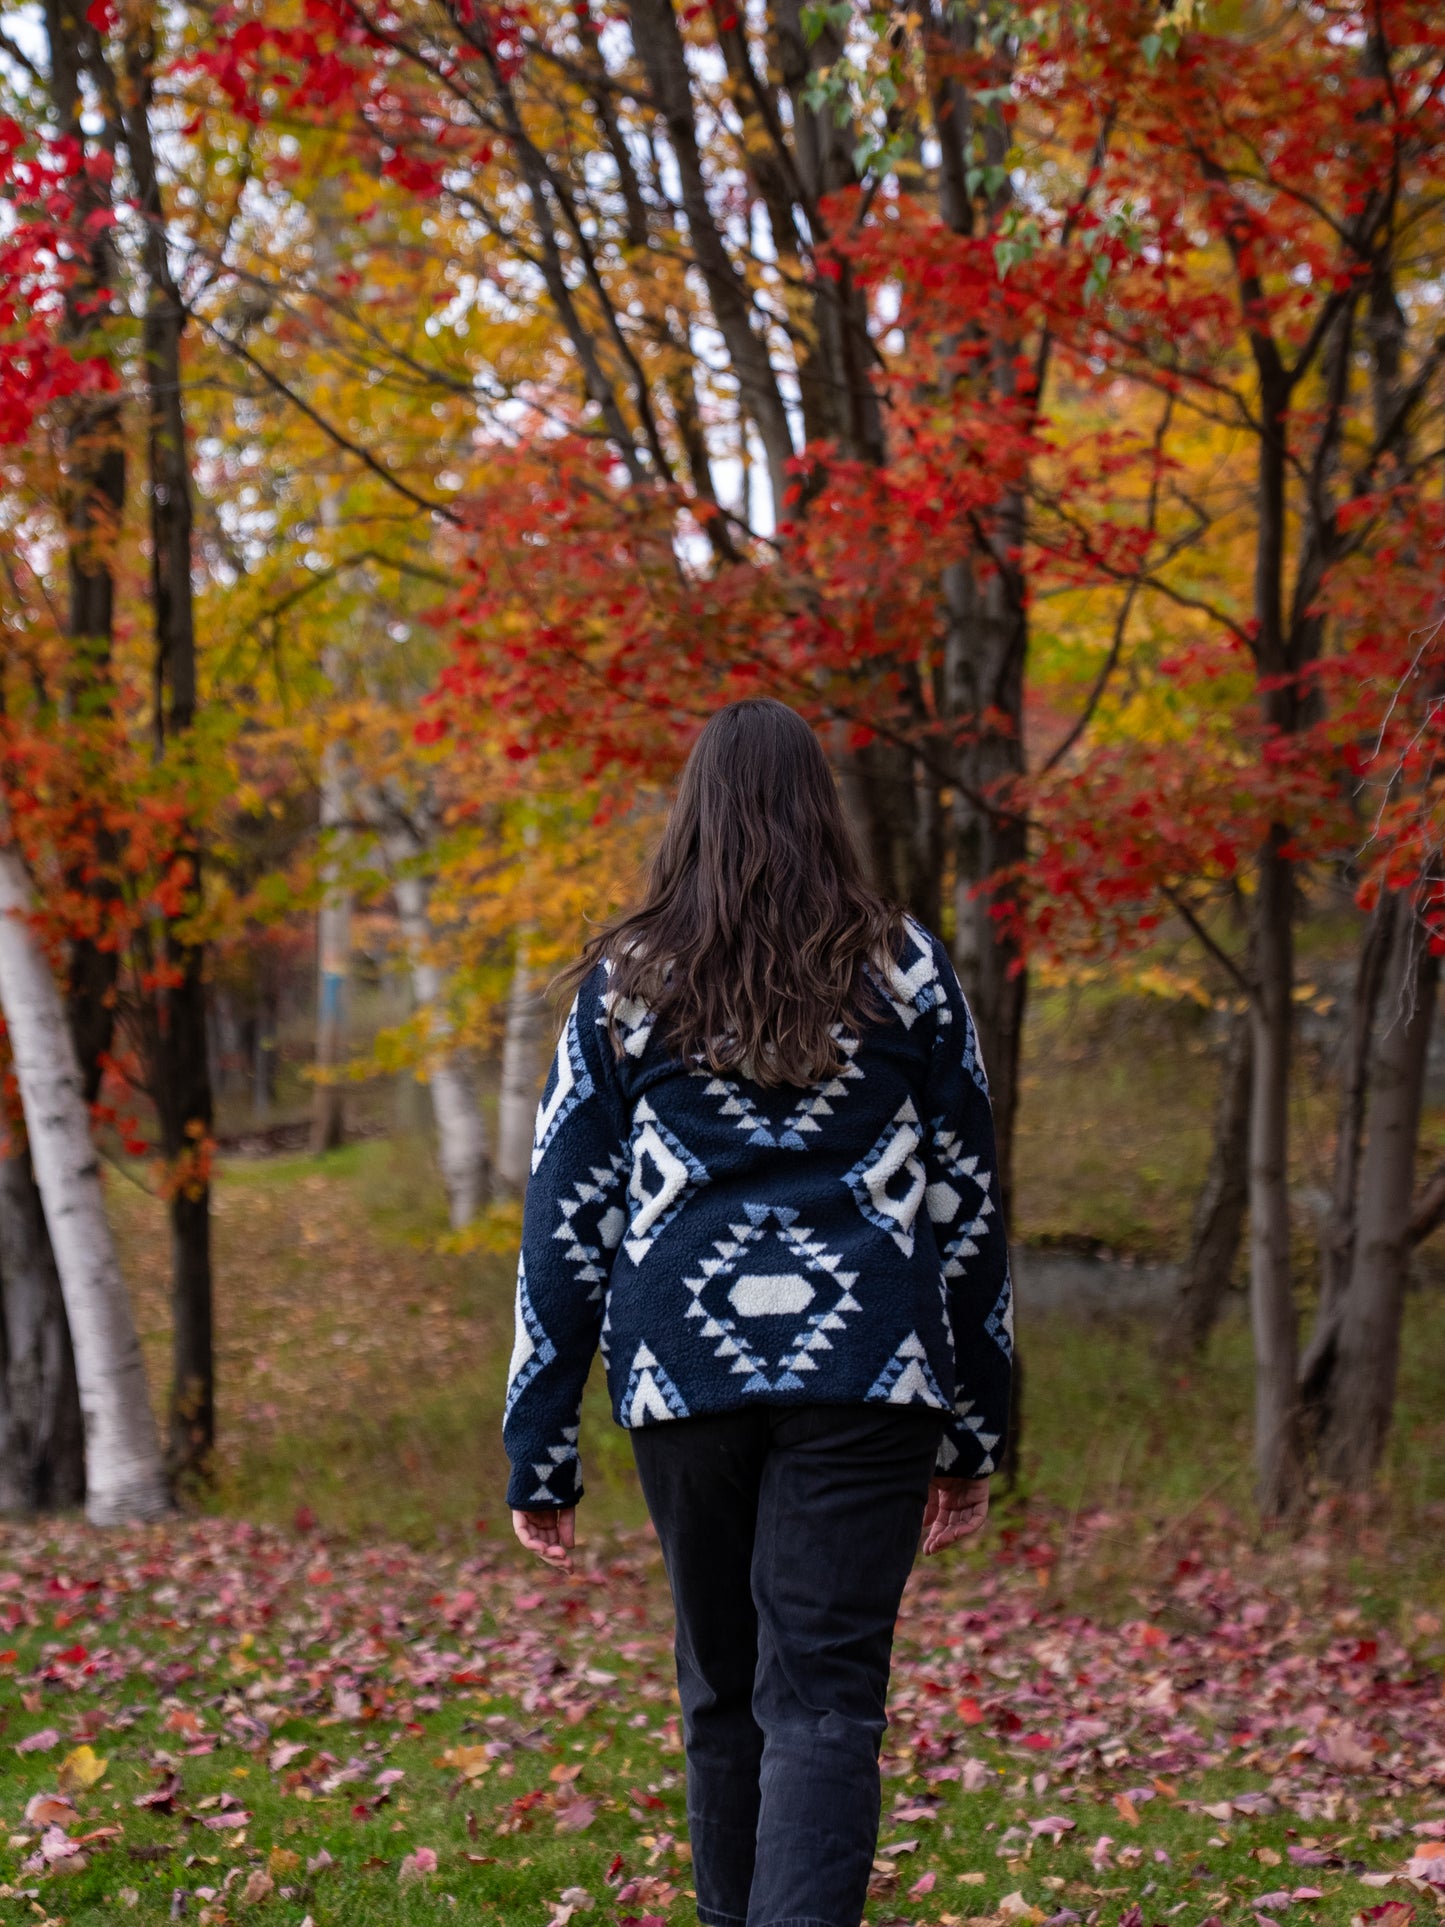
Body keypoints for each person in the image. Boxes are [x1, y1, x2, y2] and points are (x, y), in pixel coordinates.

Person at [503, 697, 1012, 1927]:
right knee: (825, 1696)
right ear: (818, 807)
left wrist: (540, 1445)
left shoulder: (626, 978)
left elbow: (565, 1213)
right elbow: (967, 1205)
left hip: (684, 1373)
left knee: (723, 1688)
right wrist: (975, 1428)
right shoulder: (905, 966)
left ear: (693, 813)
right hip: (870, 1371)